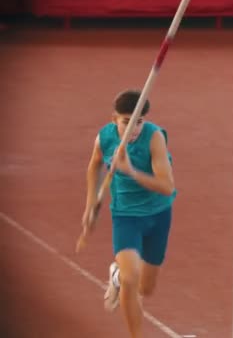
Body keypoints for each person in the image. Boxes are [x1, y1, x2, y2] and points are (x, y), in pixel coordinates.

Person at [81, 89, 177, 338]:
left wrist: (131, 171)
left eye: (139, 122)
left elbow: (167, 186)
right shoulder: (105, 137)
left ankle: (117, 277)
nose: (134, 128)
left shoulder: (155, 138)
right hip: (126, 216)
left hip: (158, 214)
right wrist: (91, 202)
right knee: (132, 277)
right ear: (115, 119)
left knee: (146, 288)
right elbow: (94, 165)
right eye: (127, 122)